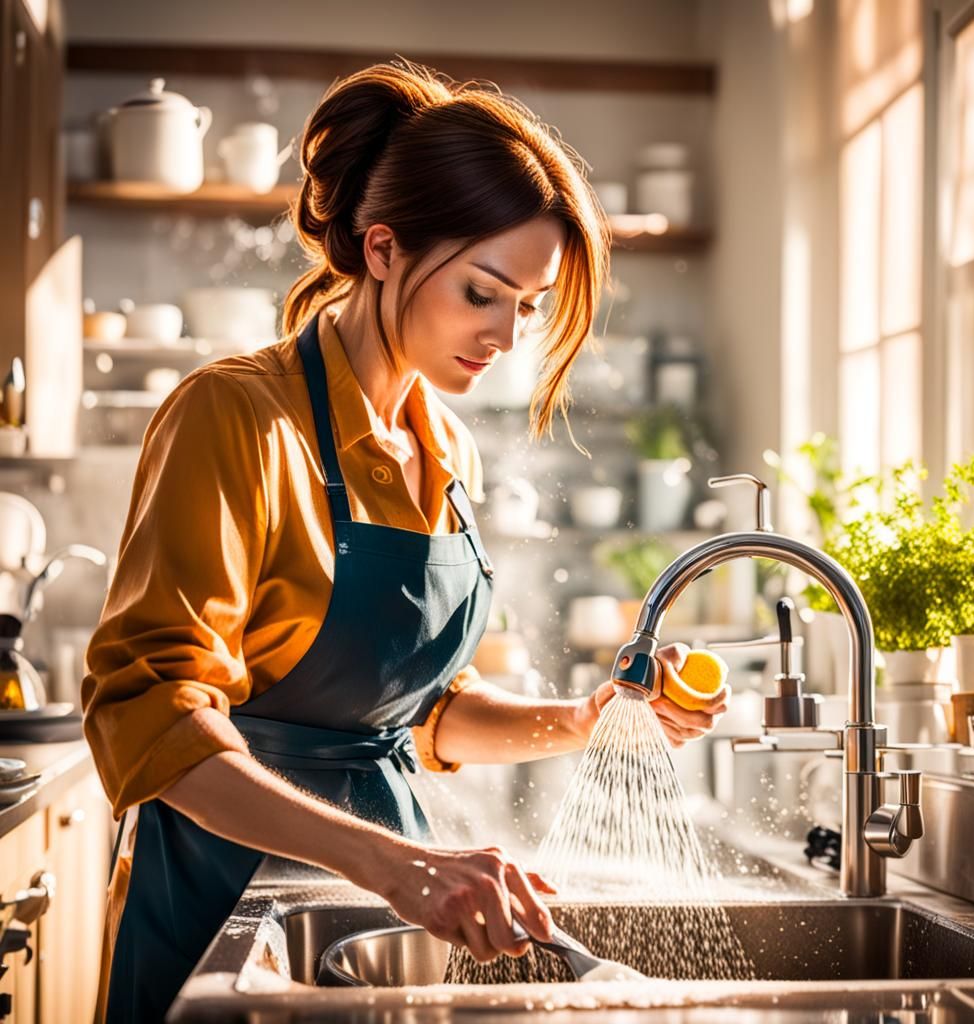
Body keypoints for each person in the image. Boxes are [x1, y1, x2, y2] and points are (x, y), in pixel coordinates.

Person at [82, 59, 729, 1023]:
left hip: (380, 911)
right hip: (225, 909)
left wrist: (590, 718)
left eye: (528, 304)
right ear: (382, 249)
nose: (507, 335)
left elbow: (418, 712)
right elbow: (150, 718)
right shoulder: (236, 417)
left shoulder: (444, 440)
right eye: (482, 292)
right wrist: (399, 864)